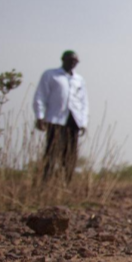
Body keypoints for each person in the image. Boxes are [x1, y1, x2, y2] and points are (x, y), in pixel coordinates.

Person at [33, 50, 88, 183]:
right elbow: (41, 95)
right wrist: (40, 116)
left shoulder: (79, 79)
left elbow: (83, 102)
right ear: (63, 59)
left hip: (73, 120)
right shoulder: (50, 75)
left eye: (75, 61)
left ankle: (66, 183)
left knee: (70, 155)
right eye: (70, 60)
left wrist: (83, 122)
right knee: (51, 153)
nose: (72, 63)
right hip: (55, 119)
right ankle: (46, 183)